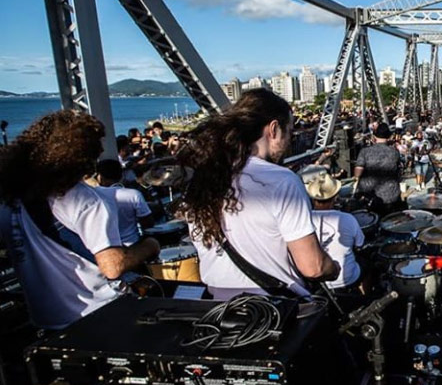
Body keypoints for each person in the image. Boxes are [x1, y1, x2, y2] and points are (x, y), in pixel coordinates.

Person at [0, 111, 160, 329]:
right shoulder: (84, 199)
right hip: (98, 314)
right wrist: (149, 246)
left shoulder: (9, 198)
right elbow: (112, 266)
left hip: (45, 319)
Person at [175, 89, 339, 300]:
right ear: (273, 129)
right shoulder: (282, 181)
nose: (289, 141)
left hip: (219, 308)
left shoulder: (203, 178)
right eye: (288, 131)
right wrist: (333, 268)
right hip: (274, 309)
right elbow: (313, 267)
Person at [305, 172, 365, 293]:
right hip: (346, 278)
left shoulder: (303, 219)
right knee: (368, 263)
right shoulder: (348, 218)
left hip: (315, 280)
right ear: (335, 197)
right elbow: (359, 245)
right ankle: (365, 295)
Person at [94, 159, 154, 247]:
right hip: (132, 245)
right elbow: (148, 223)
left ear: (100, 177)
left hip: (105, 248)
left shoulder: (93, 196)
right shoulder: (133, 194)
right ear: (121, 176)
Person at [355, 123, 403, 215]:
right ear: (389, 136)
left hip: (370, 194)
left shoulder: (365, 151)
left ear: (374, 137)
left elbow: (358, 173)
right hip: (390, 194)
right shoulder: (394, 152)